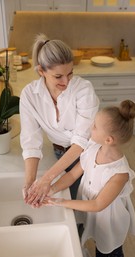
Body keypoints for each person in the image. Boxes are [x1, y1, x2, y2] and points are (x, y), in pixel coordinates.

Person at [45, 100, 135, 257]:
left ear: (108, 139)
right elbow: (72, 175)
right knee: (96, 239)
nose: (90, 127)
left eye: (94, 126)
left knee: (108, 249)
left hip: (109, 222)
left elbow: (97, 204)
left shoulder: (119, 173)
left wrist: (60, 203)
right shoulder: (92, 149)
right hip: (93, 213)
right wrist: (51, 189)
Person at [20, 33, 99, 206]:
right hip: (59, 154)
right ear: (41, 71)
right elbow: (31, 142)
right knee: (63, 201)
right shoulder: (29, 95)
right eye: (58, 76)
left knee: (83, 202)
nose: (66, 81)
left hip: (88, 155)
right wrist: (30, 182)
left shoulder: (83, 90)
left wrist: (47, 178)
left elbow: (81, 141)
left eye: (70, 74)